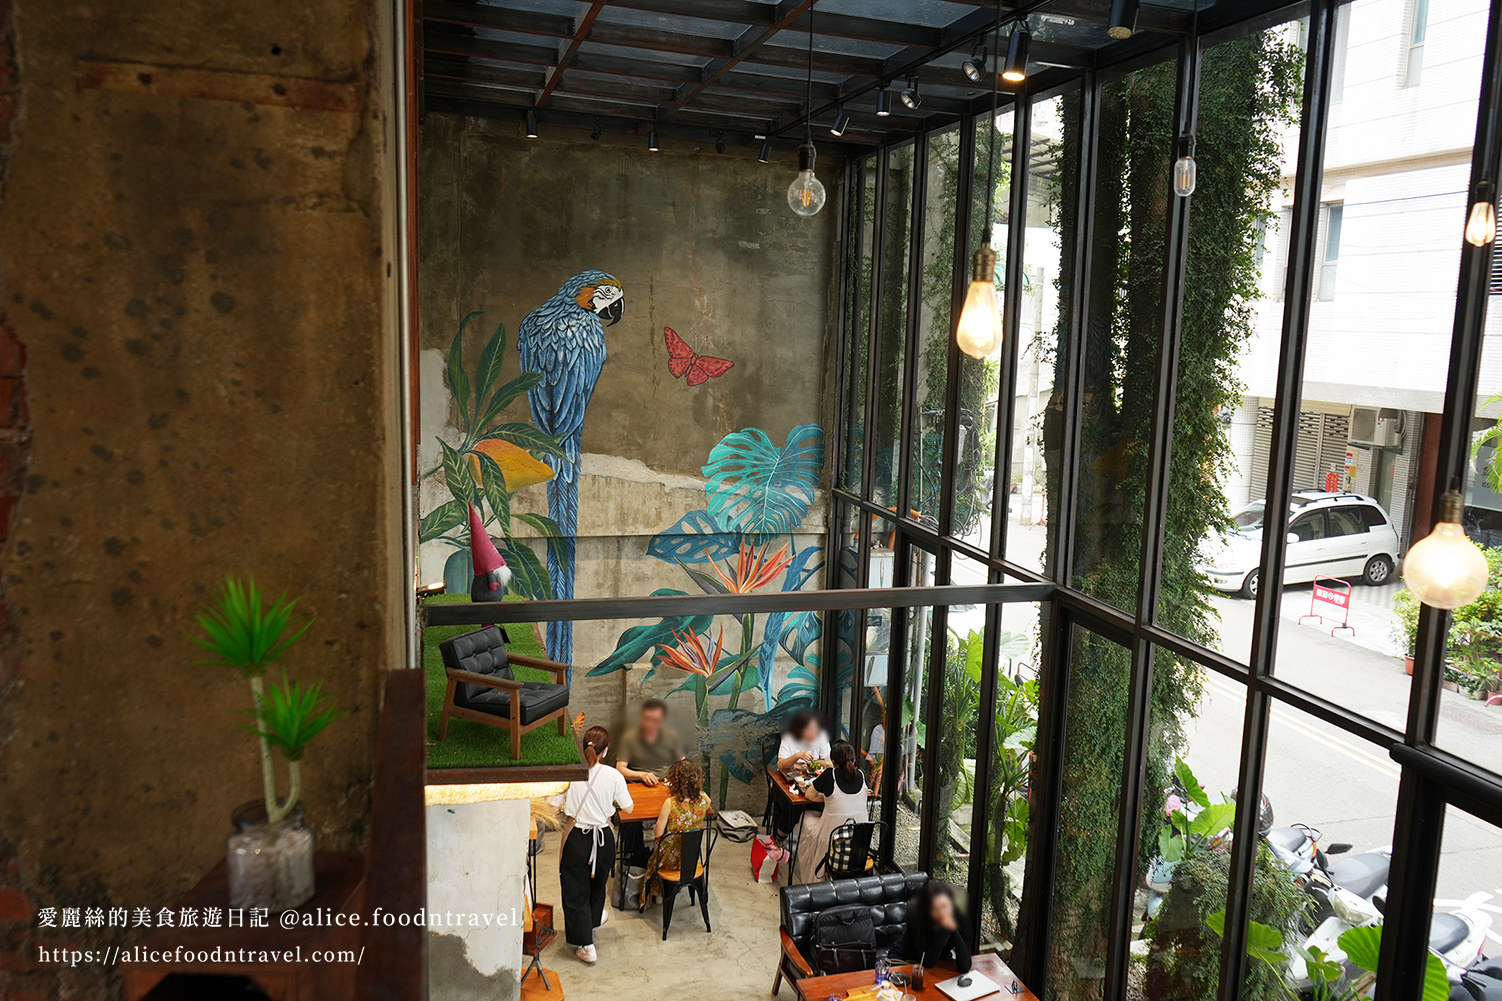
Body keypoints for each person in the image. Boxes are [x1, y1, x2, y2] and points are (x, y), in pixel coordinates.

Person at [557, 726, 633, 965]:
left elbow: (550, 807)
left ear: (583, 747)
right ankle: (591, 920)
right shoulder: (614, 776)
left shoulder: (570, 773)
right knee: (598, 883)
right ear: (606, 751)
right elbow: (628, 808)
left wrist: (566, 806)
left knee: (574, 889)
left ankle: (586, 945)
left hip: (577, 839)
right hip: (604, 840)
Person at [639, 757, 712, 909]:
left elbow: (658, 833)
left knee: (655, 854)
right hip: (691, 857)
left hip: (669, 859)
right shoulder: (704, 802)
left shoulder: (670, 804)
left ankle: (660, 892)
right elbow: (705, 797)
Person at [797, 739, 870, 882]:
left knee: (807, 816)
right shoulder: (862, 775)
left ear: (833, 762)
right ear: (854, 760)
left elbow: (809, 795)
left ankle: (813, 873)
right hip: (859, 844)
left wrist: (827, 798)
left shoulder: (830, 775)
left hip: (831, 840)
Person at [892, 879, 972, 974]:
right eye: (935, 909)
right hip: (906, 960)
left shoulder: (962, 920)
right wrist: (945, 931)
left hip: (939, 962)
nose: (942, 913)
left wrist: (954, 932)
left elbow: (965, 966)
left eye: (944, 906)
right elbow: (927, 963)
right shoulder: (917, 918)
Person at [614, 698, 685, 786]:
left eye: (655, 720)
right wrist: (641, 775)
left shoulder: (671, 736)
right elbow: (620, 769)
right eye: (647, 719)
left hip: (666, 784)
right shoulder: (629, 738)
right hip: (638, 784)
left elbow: (682, 762)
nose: (650, 724)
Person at [776, 709, 831, 775]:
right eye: (809, 729)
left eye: (816, 728)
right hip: (791, 775)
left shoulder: (821, 737)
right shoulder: (789, 739)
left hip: (814, 776)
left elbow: (827, 762)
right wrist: (797, 756)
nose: (814, 732)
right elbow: (781, 765)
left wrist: (807, 765)